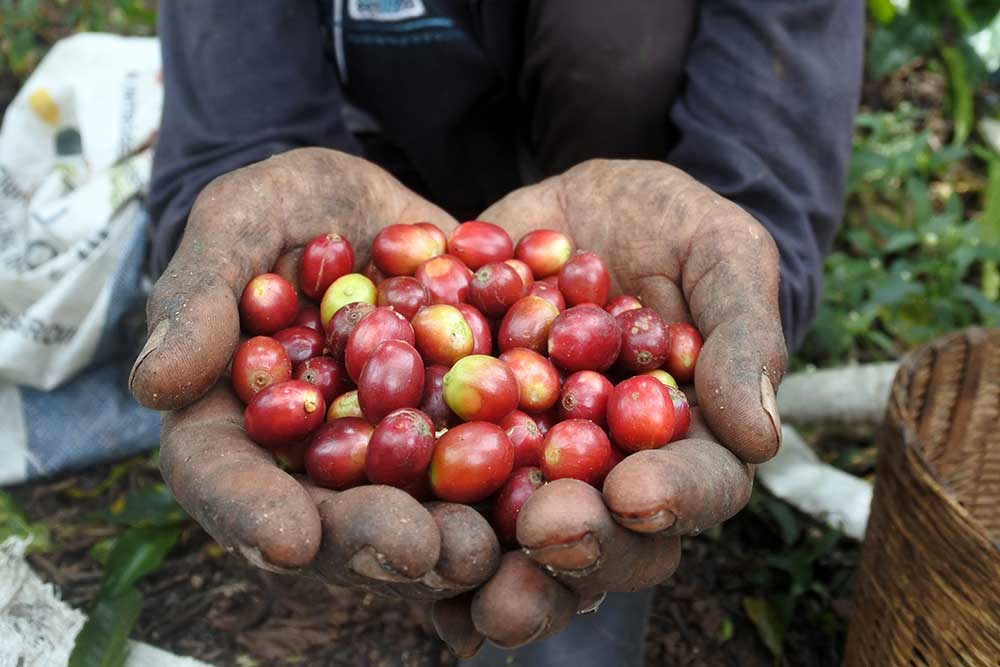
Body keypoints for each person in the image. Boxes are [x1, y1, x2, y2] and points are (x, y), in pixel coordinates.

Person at [130, 1, 864, 664]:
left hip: (634, 242)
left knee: (580, 533)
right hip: (374, 191)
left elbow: (775, 116)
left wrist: (742, 241)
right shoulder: (398, 338)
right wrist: (252, 189)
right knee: (490, 536)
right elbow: (232, 104)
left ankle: (580, 596)